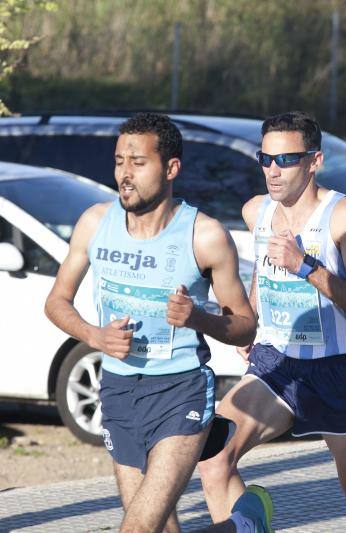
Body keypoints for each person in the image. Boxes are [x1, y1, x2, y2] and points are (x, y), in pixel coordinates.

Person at [44, 112, 258, 533]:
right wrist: (95, 336)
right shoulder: (94, 224)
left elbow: (245, 326)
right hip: (120, 392)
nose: (125, 174)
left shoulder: (204, 235)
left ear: (171, 168)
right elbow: (56, 301)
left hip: (181, 393)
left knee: (138, 526)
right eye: (120, 161)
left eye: (138, 163)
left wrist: (198, 317)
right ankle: (244, 527)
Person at [196, 111, 346, 533]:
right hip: (277, 364)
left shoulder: (344, 217)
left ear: (314, 161)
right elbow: (260, 268)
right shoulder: (257, 212)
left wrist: (305, 266)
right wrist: (250, 316)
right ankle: (250, 525)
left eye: (286, 160)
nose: (273, 170)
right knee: (214, 458)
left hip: (338, 372)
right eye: (265, 159)